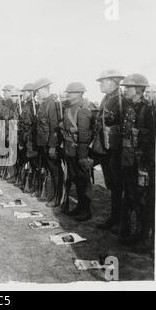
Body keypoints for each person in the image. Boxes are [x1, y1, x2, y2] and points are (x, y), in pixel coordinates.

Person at [119, 74, 154, 250]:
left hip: (141, 162)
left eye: (128, 88)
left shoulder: (147, 109)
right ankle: (134, 233)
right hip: (129, 159)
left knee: (142, 199)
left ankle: (143, 237)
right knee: (131, 196)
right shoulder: (130, 106)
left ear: (138, 90)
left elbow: (151, 139)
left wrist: (145, 163)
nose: (125, 90)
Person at [92, 69, 126, 233]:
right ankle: (115, 218)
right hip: (106, 148)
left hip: (116, 149)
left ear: (112, 82)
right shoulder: (107, 98)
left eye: (103, 81)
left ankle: (119, 220)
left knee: (119, 185)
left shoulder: (121, 99)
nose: (100, 84)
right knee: (112, 184)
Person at [60, 82, 93, 221]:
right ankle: (80, 207)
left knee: (83, 181)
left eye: (71, 92)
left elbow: (84, 136)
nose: (68, 94)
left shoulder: (82, 110)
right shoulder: (69, 108)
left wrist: (82, 156)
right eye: (68, 92)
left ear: (80, 94)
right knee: (75, 179)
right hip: (69, 150)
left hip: (79, 151)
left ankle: (86, 210)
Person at [34, 78, 64, 207]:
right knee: (50, 171)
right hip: (43, 143)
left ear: (44, 89)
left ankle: (57, 198)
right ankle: (52, 194)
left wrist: (52, 146)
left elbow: (54, 127)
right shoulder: (44, 103)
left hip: (50, 144)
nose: (37, 94)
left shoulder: (52, 104)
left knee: (56, 172)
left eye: (38, 91)